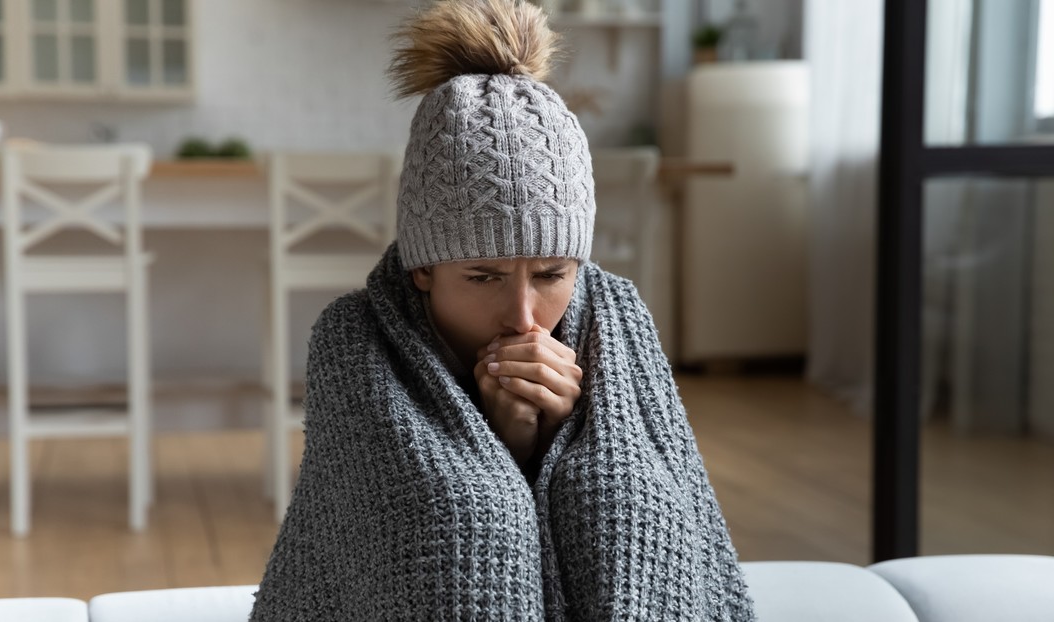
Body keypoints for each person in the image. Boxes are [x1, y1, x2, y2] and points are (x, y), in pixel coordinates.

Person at [250, 1, 756, 620]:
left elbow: (665, 518)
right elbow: (407, 542)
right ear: (423, 270)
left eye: (551, 275)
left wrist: (556, 430)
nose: (524, 315)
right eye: (483, 276)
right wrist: (507, 438)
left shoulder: (616, 318)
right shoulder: (355, 342)